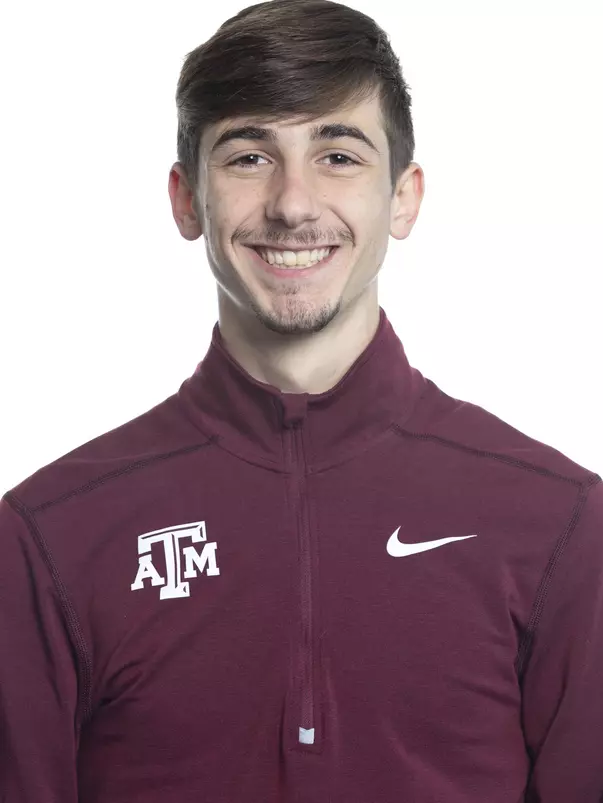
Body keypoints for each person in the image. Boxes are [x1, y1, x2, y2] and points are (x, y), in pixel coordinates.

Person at [1, 0, 601, 800]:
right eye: (248, 157)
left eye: (339, 155)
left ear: (403, 197)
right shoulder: (50, 535)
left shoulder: (558, 522)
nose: (292, 204)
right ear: (186, 200)